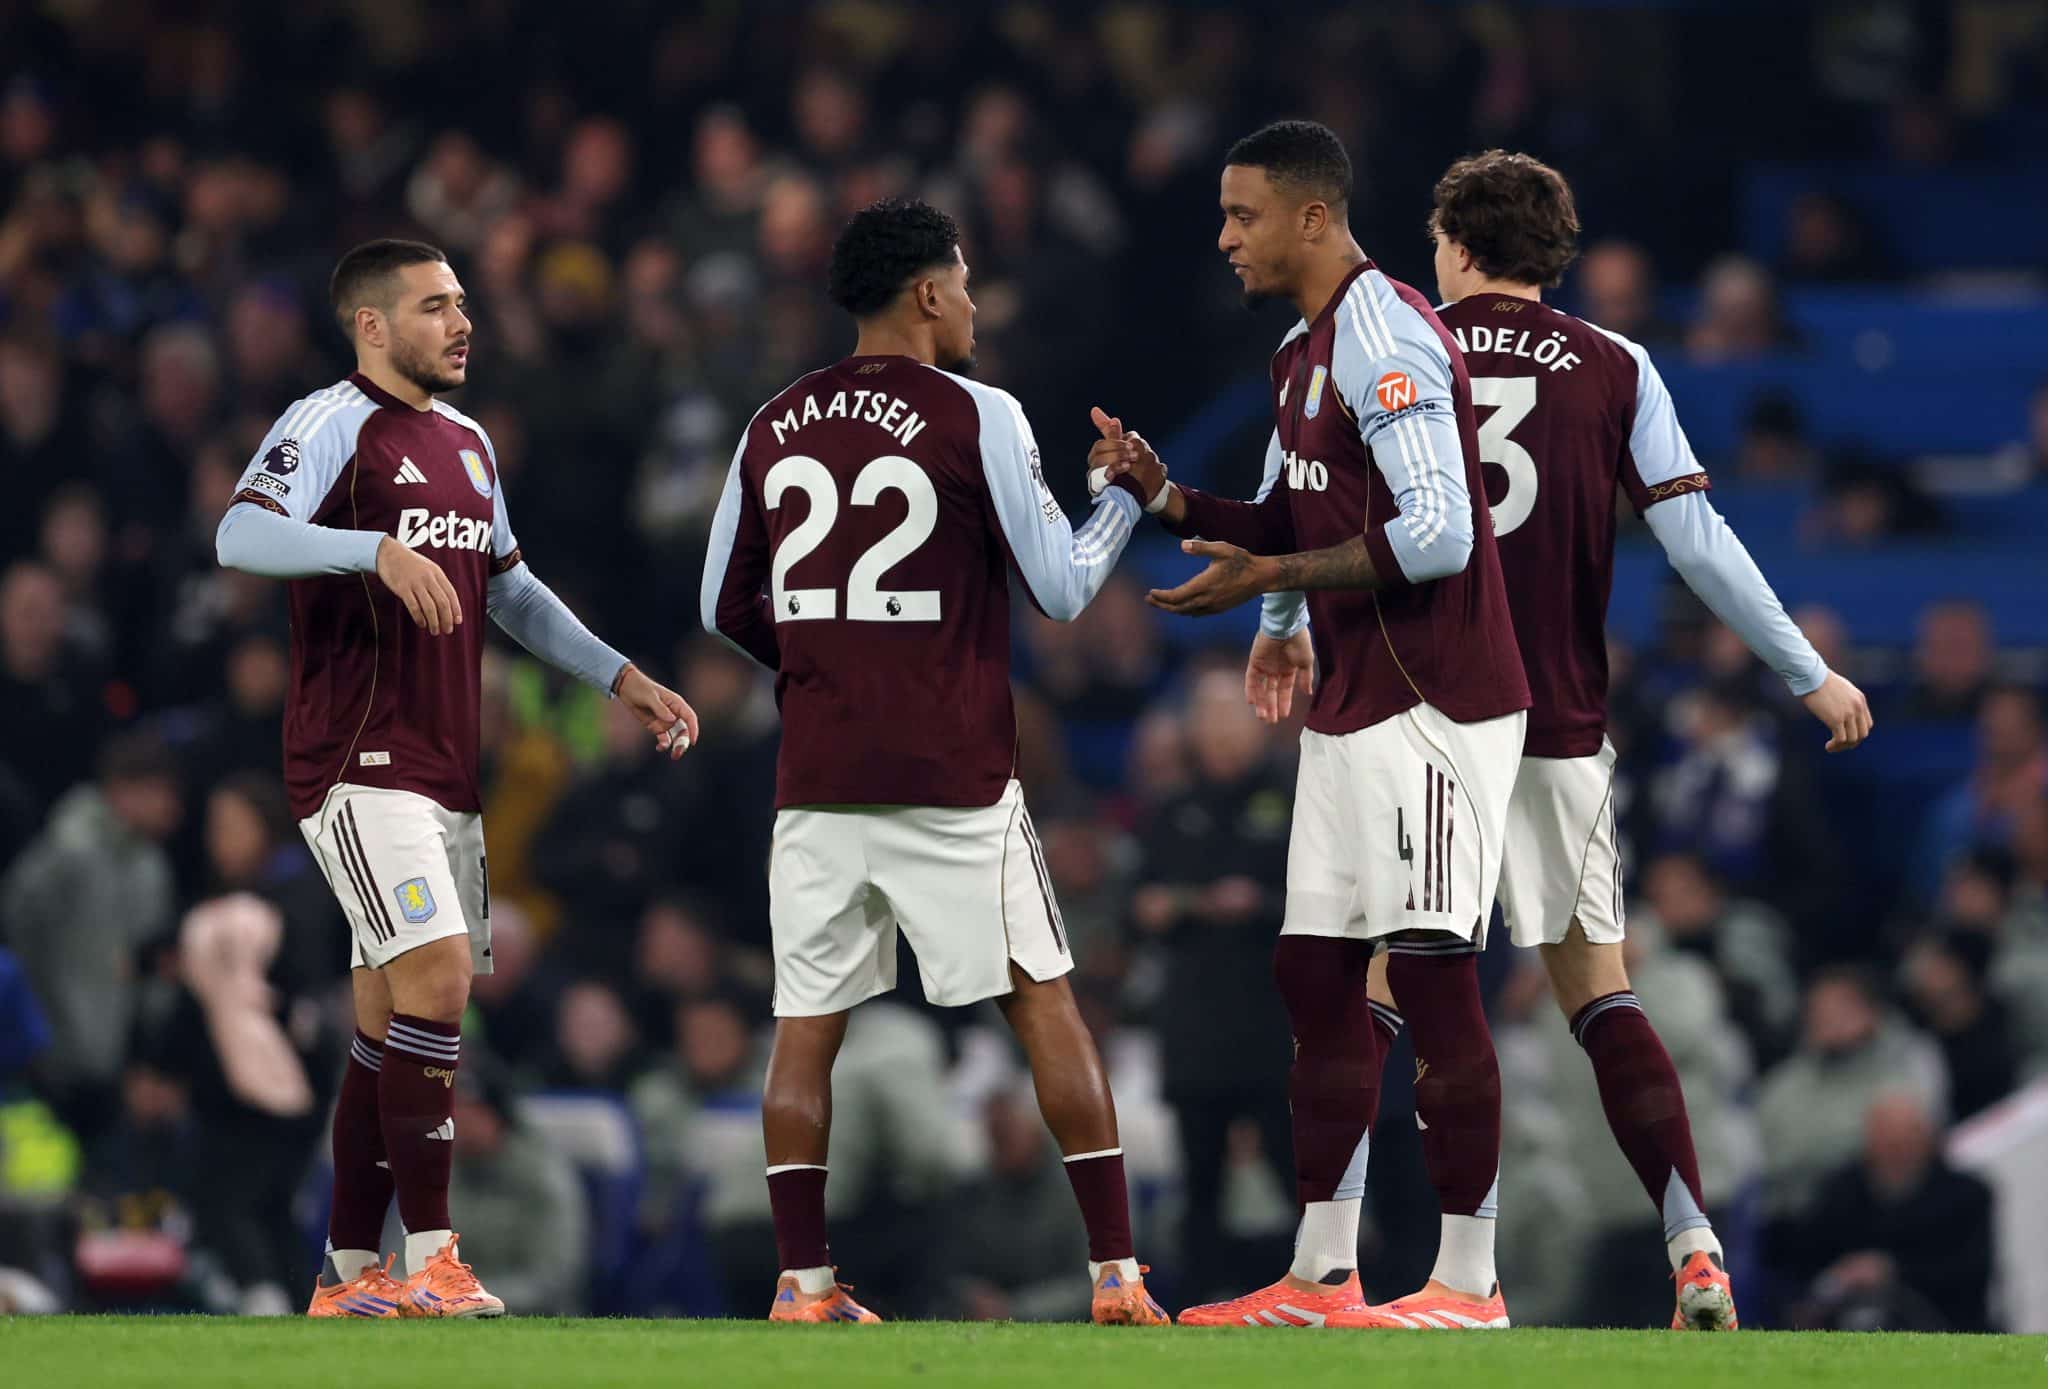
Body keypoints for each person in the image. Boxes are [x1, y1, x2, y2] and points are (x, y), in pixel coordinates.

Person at [1311, 150, 1869, 1331]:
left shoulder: (1397, 344)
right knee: (1598, 993)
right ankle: (1694, 1247)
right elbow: (1698, 542)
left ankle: (1335, 1271)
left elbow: (1326, 517)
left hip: (1425, 716)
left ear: (1454, 244)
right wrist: (1806, 672)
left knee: (1374, 981)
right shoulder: (1615, 365)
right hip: (1558, 724)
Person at [700, 198, 1168, 1326]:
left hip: (817, 773)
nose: (970, 306)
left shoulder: (772, 421)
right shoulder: (977, 411)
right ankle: (1113, 1273)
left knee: (805, 1030)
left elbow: (720, 601)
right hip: (946, 771)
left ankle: (802, 1286)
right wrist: (1120, 500)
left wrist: (823, 658)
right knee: (1041, 1002)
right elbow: (1059, 587)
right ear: (923, 293)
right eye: (961, 286)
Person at [1094, 120, 1530, 1330]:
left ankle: (1468, 1283)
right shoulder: (1301, 353)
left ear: (1310, 217)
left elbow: (1440, 533)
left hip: (1436, 701)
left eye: (1240, 215)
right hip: (1353, 705)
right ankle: (1320, 1273)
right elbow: (1293, 514)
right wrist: (1170, 497)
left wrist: (1270, 588)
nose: (1223, 237)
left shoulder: (1384, 331)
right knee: (1316, 977)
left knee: (1434, 981)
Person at [214, 237, 699, 1319]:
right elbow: (241, 533)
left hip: (445, 768)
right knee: (439, 980)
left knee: (389, 1023)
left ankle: (347, 1276)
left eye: (464, 305)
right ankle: (435, 1256)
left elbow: (512, 591)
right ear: (372, 326)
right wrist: (369, 551)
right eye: (435, 307)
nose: (462, 323)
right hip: (354, 757)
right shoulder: (328, 419)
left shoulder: (471, 442)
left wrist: (620, 676)